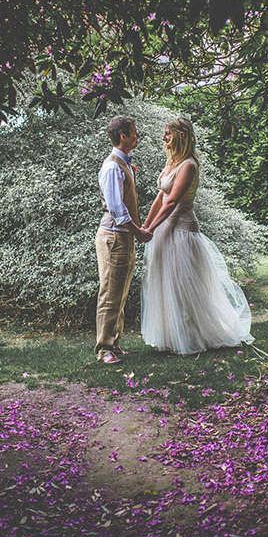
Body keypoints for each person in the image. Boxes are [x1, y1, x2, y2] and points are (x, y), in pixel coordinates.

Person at [141, 116, 253, 354]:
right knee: (166, 284)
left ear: (181, 136)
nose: (164, 138)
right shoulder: (172, 162)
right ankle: (172, 337)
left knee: (183, 286)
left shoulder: (188, 165)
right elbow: (160, 197)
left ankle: (191, 336)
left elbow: (172, 202)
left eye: (168, 133)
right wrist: (146, 225)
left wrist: (150, 230)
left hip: (182, 232)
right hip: (165, 230)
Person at [96, 116, 152, 365]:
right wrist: (138, 231)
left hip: (124, 236)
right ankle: (103, 348)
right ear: (123, 136)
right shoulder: (112, 167)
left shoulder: (124, 164)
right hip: (114, 238)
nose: (137, 136)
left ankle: (114, 342)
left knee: (121, 292)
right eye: (134, 133)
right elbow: (117, 210)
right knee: (110, 293)